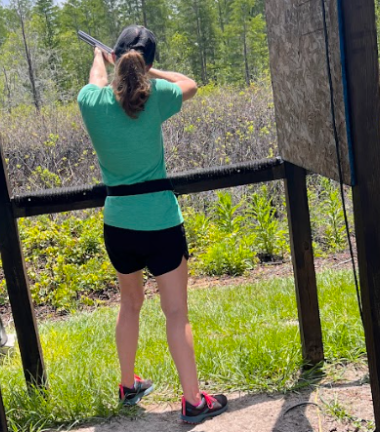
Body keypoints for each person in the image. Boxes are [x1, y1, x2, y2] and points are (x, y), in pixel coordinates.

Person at [77, 25, 228, 424]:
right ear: (148, 63)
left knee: (129, 305)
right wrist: (151, 73)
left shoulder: (91, 101)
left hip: (119, 224)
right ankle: (194, 401)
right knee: (176, 313)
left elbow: (95, 83)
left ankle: (128, 385)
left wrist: (99, 57)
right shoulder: (156, 96)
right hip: (160, 221)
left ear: (115, 58)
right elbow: (190, 84)